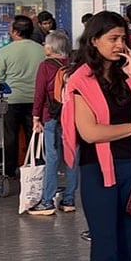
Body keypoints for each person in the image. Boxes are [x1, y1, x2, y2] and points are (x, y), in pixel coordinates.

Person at [60, 11, 131, 261]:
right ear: (94, 40)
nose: (119, 45)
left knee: (127, 247)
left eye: (123, 39)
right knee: (105, 248)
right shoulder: (80, 79)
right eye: (112, 39)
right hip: (98, 170)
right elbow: (90, 133)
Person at [28, 30, 78, 215]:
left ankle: (47, 201)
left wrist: (36, 117)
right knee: (72, 157)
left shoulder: (45, 66)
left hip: (51, 116)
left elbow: (39, 94)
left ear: (50, 48)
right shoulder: (73, 66)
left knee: (52, 158)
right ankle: (69, 200)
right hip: (72, 116)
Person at [0, 15, 46, 178]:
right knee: (35, 134)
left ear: (15, 32)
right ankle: (35, 168)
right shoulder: (42, 50)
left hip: (11, 100)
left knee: (10, 136)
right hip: (36, 100)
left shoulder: (5, 51)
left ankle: (10, 171)